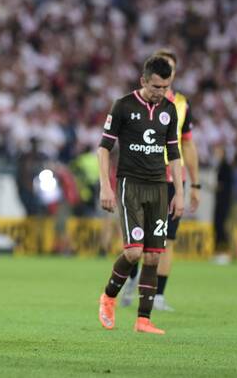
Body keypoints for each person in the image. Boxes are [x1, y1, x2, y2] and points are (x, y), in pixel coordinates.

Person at [97, 56, 184, 335]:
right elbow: (103, 149)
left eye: (166, 87)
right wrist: (105, 186)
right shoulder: (123, 106)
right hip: (130, 185)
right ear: (143, 81)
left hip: (159, 186)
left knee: (154, 256)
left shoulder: (170, 110)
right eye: (156, 87)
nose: (161, 92)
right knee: (134, 251)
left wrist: (179, 193)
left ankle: (143, 320)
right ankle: (109, 297)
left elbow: (174, 154)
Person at [120, 49, 201, 311]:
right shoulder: (135, 104)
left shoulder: (181, 105)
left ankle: (158, 296)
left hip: (172, 178)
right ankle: (132, 277)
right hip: (142, 175)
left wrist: (194, 184)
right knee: (139, 241)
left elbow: (187, 146)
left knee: (167, 240)